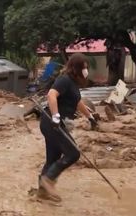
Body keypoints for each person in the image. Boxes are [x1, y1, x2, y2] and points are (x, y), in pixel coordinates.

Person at [38, 53, 98, 202]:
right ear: (76, 68)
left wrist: (90, 117)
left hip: (53, 124)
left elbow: (78, 103)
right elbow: (51, 95)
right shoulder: (64, 80)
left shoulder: (73, 84)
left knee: (52, 159)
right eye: (84, 67)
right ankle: (48, 181)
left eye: (87, 68)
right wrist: (56, 116)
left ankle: (42, 192)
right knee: (74, 153)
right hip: (52, 123)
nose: (86, 70)